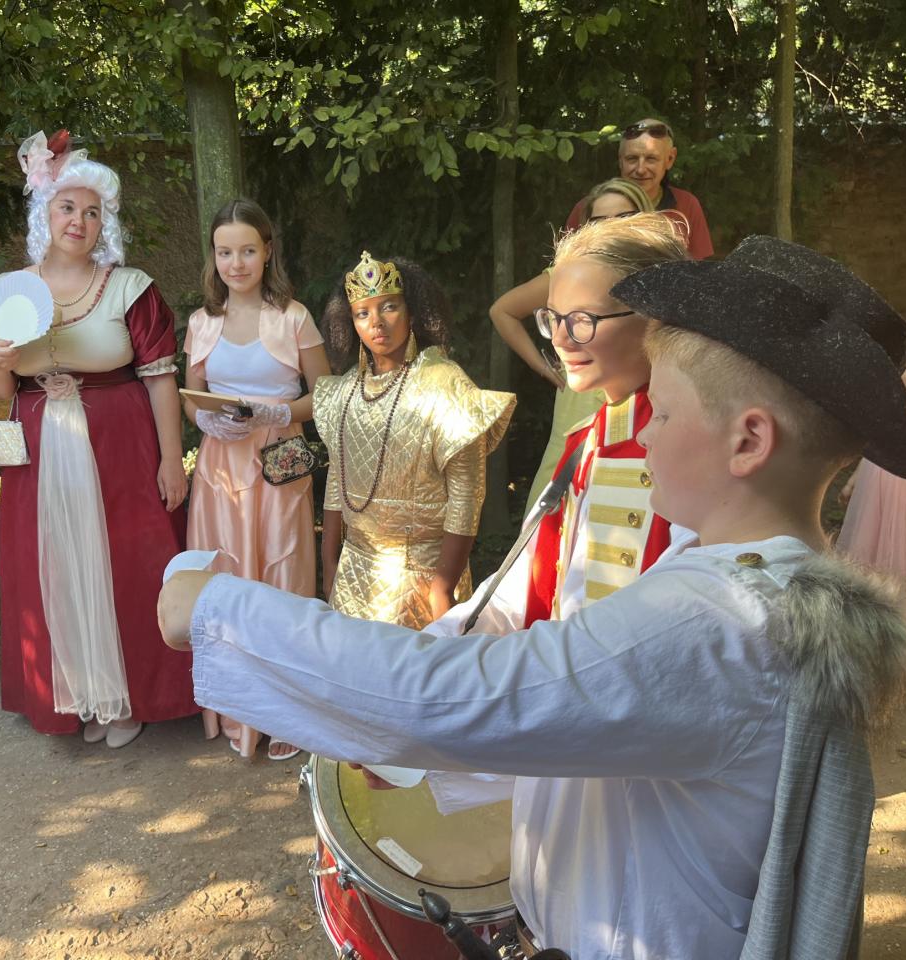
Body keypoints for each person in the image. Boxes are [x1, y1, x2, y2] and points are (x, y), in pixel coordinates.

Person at [160, 234, 906, 960]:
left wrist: (218, 609)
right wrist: (427, 761)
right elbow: (605, 724)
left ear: (748, 442)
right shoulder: (744, 584)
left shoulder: (720, 620)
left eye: (664, 411)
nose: (643, 433)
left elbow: (459, 697)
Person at [0, 130, 193, 748]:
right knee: (55, 566)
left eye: (92, 211)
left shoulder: (130, 287)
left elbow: (160, 380)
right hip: (39, 450)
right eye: (67, 207)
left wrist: (171, 460)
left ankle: (130, 697)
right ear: (44, 215)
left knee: (124, 562)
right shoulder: (6, 291)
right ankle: (78, 696)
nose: (79, 220)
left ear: (106, 224)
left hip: (121, 445)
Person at [182, 198, 330, 760]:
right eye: (225, 252)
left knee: (282, 575)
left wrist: (278, 412)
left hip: (280, 460)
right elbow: (191, 396)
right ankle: (238, 710)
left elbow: (326, 395)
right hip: (220, 466)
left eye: (247, 250)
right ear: (213, 256)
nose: (236, 263)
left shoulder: (293, 317)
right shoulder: (202, 322)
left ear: (267, 251)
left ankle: (289, 712)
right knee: (227, 578)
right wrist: (204, 420)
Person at [314, 252, 515, 629]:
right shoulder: (344, 391)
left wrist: (443, 585)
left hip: (422, 576)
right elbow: (337, 481)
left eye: (389, 307)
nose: (376, 323)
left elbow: (466, 494)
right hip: (353, 573)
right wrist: (329, 563)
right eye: (362, 313)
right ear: (350, 322)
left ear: (413, 311)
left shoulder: (444, 384)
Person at [489, 178, 657, 513]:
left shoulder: (663, 278)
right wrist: (544, 366)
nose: (612, 229)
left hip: (645, 421)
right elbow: (502, 311)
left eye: (624, 218)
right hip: (578, 412)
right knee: (555, 513)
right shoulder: (568, 274)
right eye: (599, 221)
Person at [837, 347, 906, 598]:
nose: (904, 392)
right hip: (879, 493)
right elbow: (873, 453)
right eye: (899, 385)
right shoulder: (887, 418)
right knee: (873, 539)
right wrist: (853, 481)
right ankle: (874, 596)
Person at [565, 118, 714, 260]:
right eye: (632, 159)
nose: (641, 169)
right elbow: (565, 266)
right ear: (620, 161)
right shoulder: (590, 209)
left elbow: (698, 270)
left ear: (670, 159)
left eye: (651, 159)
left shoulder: (686, 205)